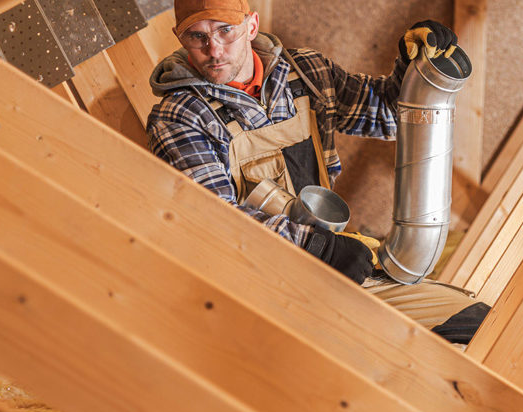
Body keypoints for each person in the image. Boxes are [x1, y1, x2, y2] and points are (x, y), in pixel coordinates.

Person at [146, 0, 489, 344]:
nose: (214, 50)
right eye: (197, 36)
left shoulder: (305, 72)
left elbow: (387, 115)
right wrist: (317, 247)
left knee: (479, 327)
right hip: (261, 289)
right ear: (181, 38)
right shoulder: (180, 117)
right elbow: (215, 220)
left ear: (251, 26)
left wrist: (413, 72)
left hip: (334, 263)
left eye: (225, 30)